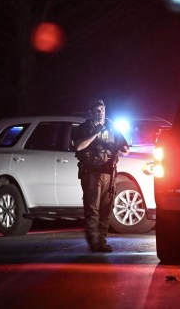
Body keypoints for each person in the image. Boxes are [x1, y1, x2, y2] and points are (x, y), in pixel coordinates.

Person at [73, 98, 129, 252]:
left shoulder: (112, 127)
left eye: (102, 109)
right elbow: (78, 146)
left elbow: (125, 148)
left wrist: (122, 149)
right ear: (91, 112)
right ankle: (94, 243)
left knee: (106, 209)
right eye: (96, 110)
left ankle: (102, 242)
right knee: (92, 209)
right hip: (91, 173)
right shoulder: (84, 128)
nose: (100, 112)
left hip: (109, 174)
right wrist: (95, 133)